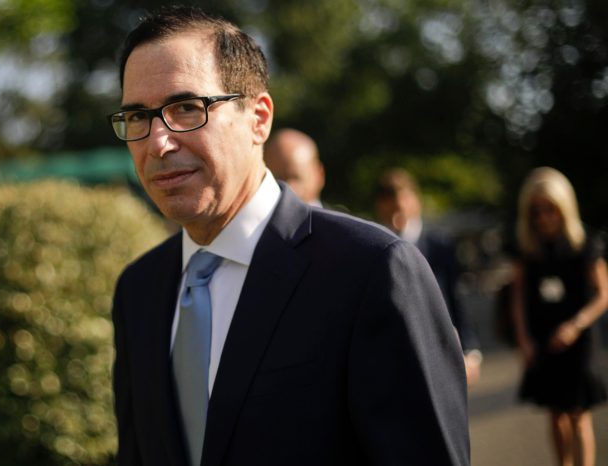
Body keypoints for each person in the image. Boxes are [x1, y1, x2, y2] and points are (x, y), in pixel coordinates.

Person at [108, 6, 469, 466]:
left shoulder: (372, 271)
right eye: (137, 116)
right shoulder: (138, 291)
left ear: (258, 118)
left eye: (185, 108)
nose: (158, 141)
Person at [509, 167, 608, 466]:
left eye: (550, 209)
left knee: (578, 414)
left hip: (577, 339)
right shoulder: (528, 250)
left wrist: (575, 326)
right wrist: (524, 340)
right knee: (555, 413)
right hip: (543, 337)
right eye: (536, 211)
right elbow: (518, 299)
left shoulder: (585, 244)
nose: (544, 218)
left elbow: (604, 295)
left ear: (563, 207)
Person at [373, 168, 483, 385]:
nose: (399, 208)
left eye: (404, 199)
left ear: (416, 200)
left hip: (439, 350)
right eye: (391, 202)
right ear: (380, 206)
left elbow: (456, 299)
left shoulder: (439, 245)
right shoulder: (375, 246)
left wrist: (470, 350)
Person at [263, 128, 325, 207]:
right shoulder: (250, 218)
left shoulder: (340, 218)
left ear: (319, 175)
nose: (287, 188)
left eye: (295, 178)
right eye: (277, 178)